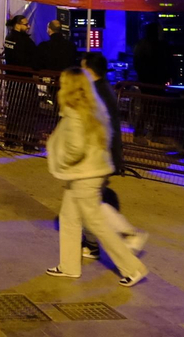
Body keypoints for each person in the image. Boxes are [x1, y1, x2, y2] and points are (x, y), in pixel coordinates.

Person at [44, 68, 147, 286]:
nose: (59, 86)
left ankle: (133, 268)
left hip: (84, 174)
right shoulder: (94, 106)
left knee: (97, 224)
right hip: (94, 170)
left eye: (63, 82)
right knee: (69, 218)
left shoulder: (73, 112)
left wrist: (61, 159)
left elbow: (75, 148)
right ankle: (69, 266)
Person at [79, 53, 146, 262]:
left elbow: (101, 129)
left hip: (99, 158)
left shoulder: (99, 94)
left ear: (89, 70)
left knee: (90, 204)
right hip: (100, 157)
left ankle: (127, 235)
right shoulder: (101, 90)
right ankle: (92, 244)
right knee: (89, 202)